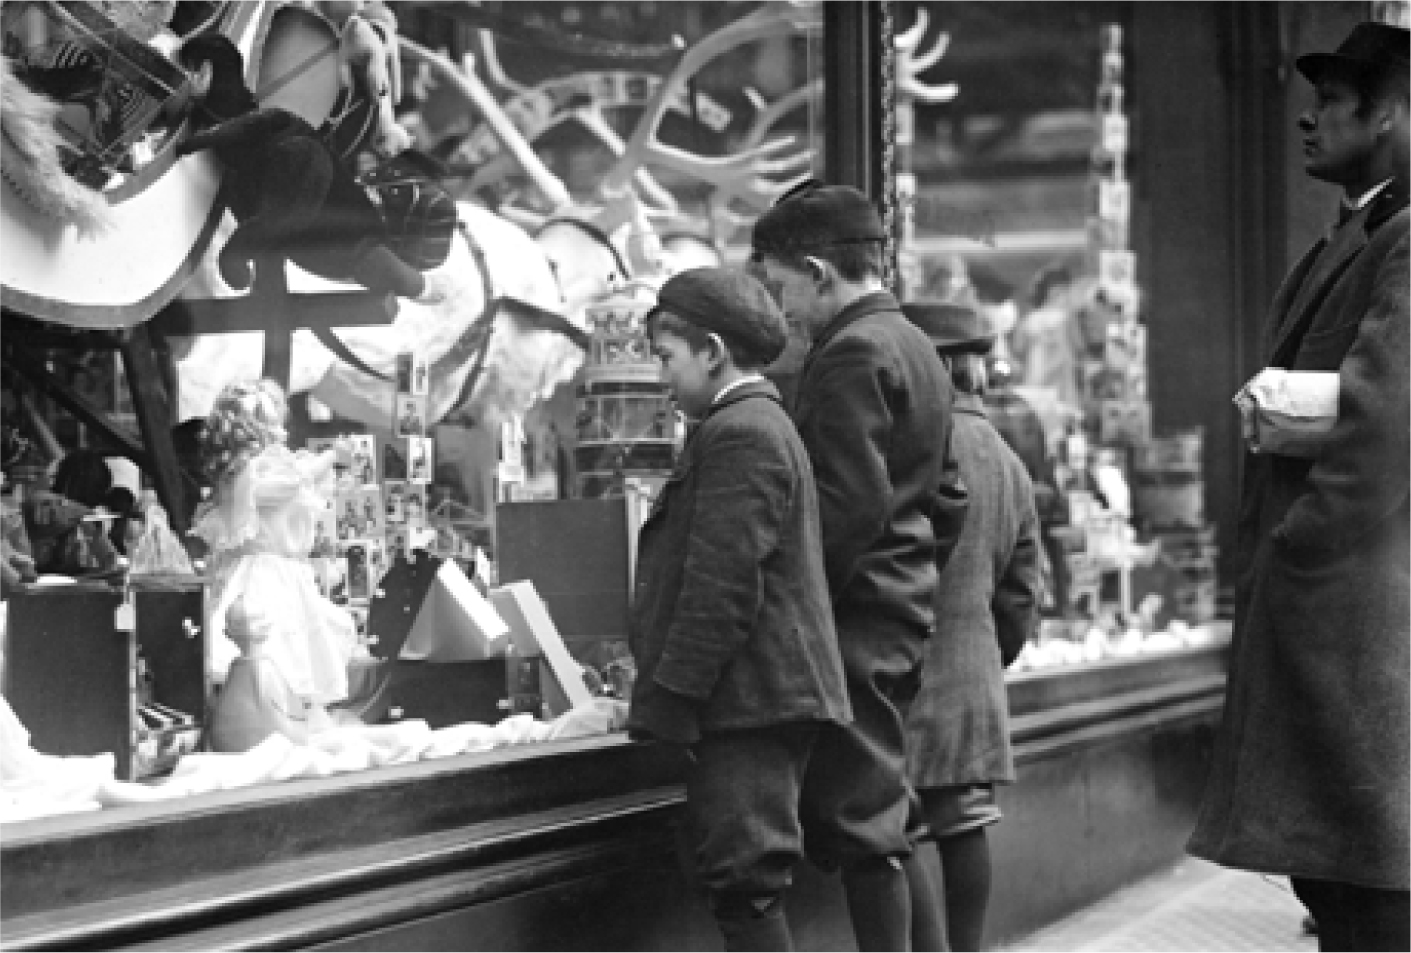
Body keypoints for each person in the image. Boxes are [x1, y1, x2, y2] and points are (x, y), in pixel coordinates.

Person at [1187, 22, 1409, 952]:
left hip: (1351, 601)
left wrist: (1302, 543)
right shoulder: (1360, 233)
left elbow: (1384, 415)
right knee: (1337, 865)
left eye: (1331, 104)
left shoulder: (1401, 239)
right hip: (1329, 603)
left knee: (1367, 869)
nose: (1305, 121)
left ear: (1389, 114)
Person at [752, 181, 964, 952]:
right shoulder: (913, 343)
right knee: (891, 811)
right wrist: (913, 575)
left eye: (781, 289)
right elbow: (951, 496)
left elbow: (845, 510)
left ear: (817, 271)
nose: (783, 311)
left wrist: (798, 611)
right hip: (898, 606)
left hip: (854, 619)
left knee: (862, 819)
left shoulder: (849, 353)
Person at [626, 267, 851, 951]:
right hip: (753, 699)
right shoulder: (746, 424)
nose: (661, 377)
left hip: (749, 704)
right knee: (742, 883)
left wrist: (670, 695)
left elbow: (721, 584)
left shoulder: (741, 431)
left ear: (712, 351)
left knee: (744, 884)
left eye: (667, 357)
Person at [902, 303, 1043, 951]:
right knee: (963, 823)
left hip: (902, 670)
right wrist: (987, 652)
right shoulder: (1007, 459)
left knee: (893, 833)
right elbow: (1021, 593)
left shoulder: (909, 445)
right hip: (972, 668)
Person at [191, 379, 356, 725]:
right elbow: (291, 484)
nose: (281, 429)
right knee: (277, 647)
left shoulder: (257, 470)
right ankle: (268, 718)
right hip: (266, 573)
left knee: (286, 648)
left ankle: (282, 716)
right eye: (275, 421)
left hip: (278, 569)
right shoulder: (256, 472)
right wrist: (331, 457)